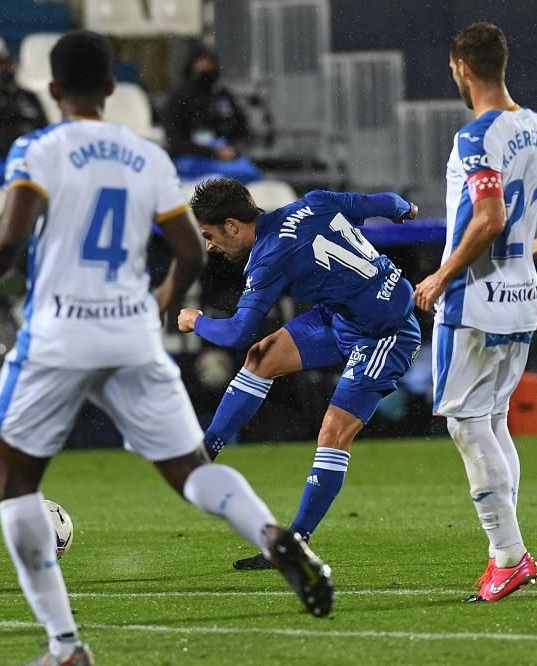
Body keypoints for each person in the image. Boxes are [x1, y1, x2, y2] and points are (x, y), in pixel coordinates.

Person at [0, 31, 334, 666]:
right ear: (113, 90)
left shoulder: (37, 148)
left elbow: (8, 239)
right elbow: (185, 249)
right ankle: (272, 535)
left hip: (59, 330)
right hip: (128, 330)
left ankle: (65, 646)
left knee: (13, 478)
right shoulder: (145, 156)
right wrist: (160, 298)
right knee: (192, 472)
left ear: (55, 90)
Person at [413, 22, 537, 602]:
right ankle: (510, 553)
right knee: (492, 420)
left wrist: (442, 275)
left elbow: (489, 218)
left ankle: (508, 556)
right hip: (522, 296)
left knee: (469, 424)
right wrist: (536, 249)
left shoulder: (477, 137)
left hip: (473, 300)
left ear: (462, 69)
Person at [178, 178, 421, 570]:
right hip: (341, 317)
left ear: (234, 226)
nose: (209, 245)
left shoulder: (270, 256)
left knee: (332, 433)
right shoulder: (315, 201)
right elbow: (384, 201)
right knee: (262, 357)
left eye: (210, 234)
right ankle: (206, 454)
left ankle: (295, 542)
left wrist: (197, 320)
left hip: (382, 335)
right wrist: (406, 209)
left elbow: (238, 331)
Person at [163, 44, 261, 184]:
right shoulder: (179, 97)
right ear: (191, 64)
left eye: (209, 62)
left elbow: (243, 129)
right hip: (190, 158)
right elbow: (175, 138)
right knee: (216, 183)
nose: (205, 66)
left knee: (251, 176)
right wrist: (211, 152)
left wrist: (234, 148)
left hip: (227, 158)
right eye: (200, 61)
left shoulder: (222, 95)